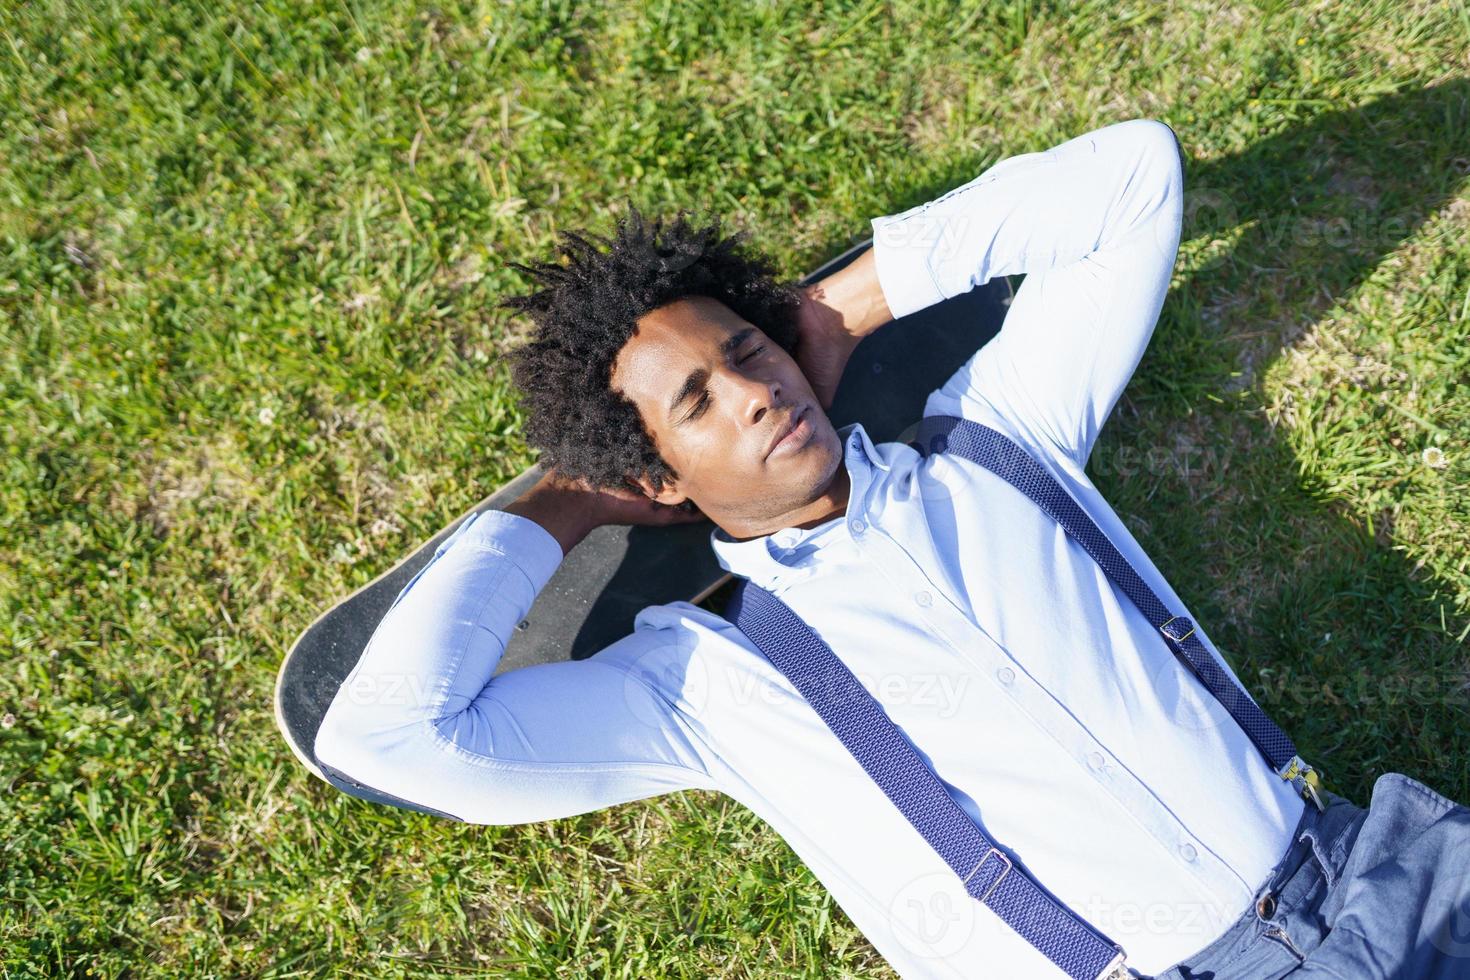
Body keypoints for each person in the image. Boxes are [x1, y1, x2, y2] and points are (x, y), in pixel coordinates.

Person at [313, 119, 1470, 979]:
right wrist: (567, 503)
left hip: (1376, 870)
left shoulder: (997, 432)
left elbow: (1133, 179)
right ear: (655, 475)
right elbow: (392, 735)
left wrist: (841, 309)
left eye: (751, 348)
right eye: (701, 402)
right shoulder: (703, 686)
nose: (758, 392)